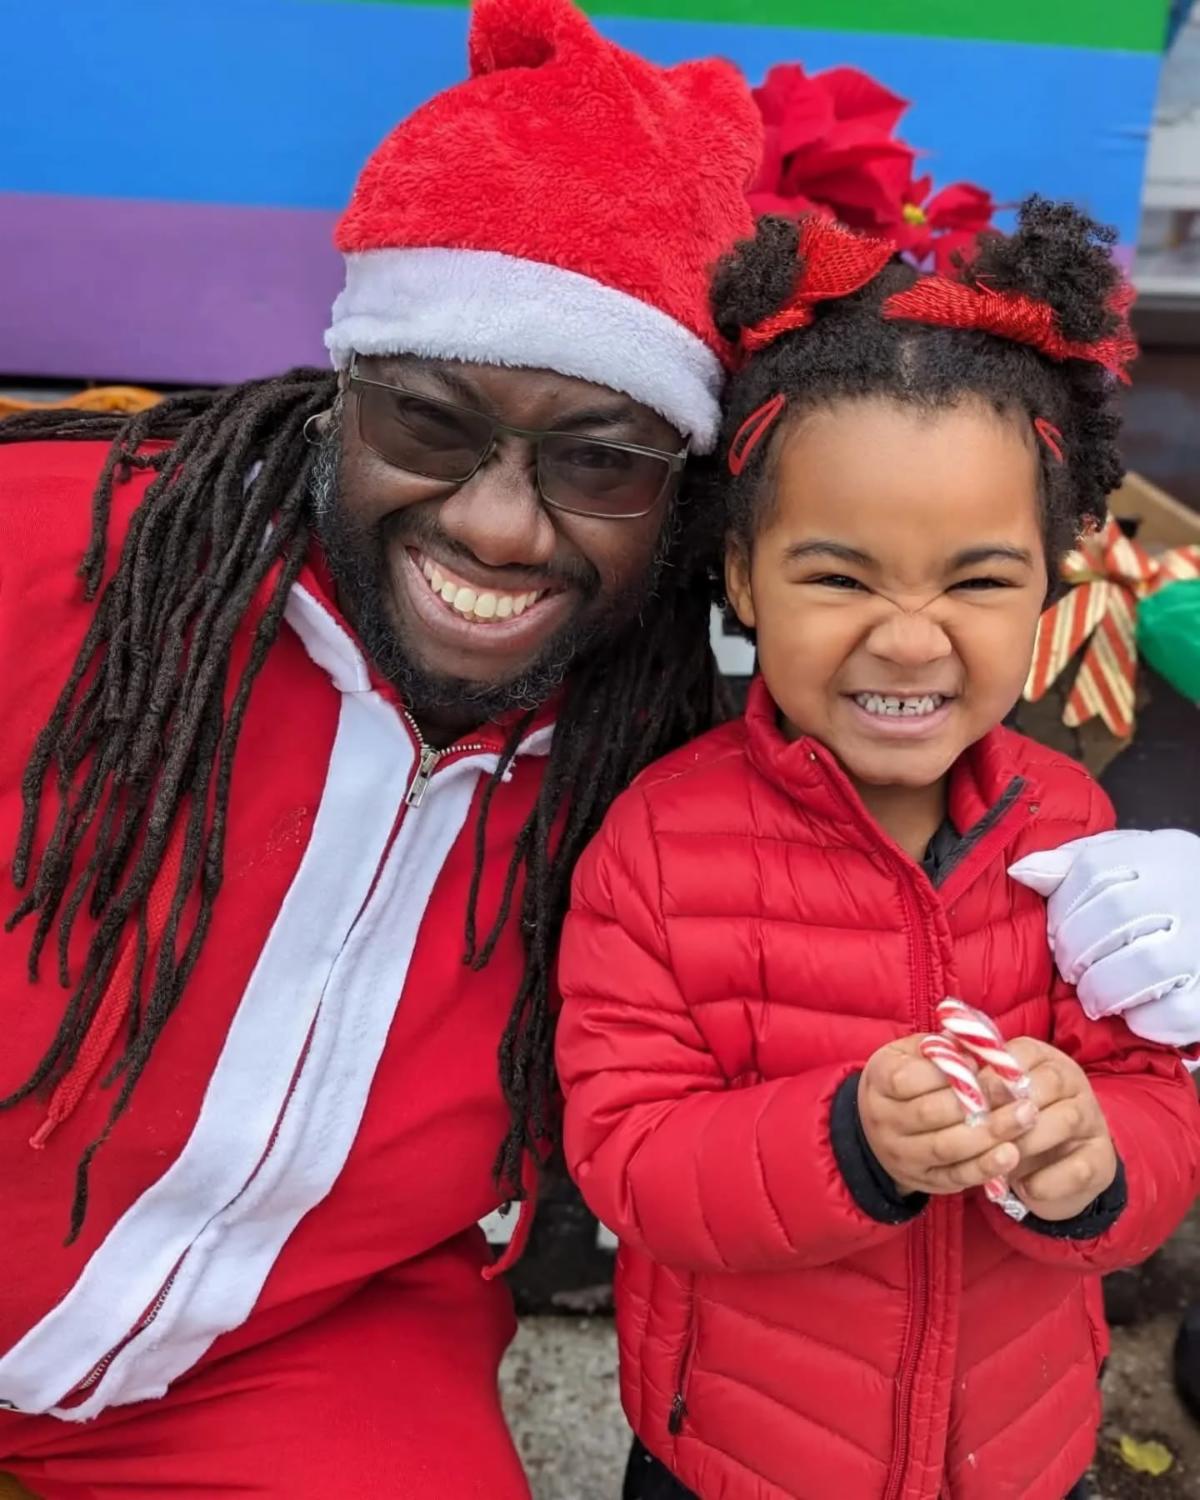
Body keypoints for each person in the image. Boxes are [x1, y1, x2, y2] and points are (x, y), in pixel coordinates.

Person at [0, 2, 1197, 1493]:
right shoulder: (59, 548)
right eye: (431, 425)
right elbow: (650, 1143)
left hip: (285, 1362)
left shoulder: (650, 727)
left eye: (598, 462)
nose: (499, 522)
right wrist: (853, 1139)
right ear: (339, 395)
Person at [556, 201, 1200, 1500]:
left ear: (1053, 581)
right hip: (731, 1456)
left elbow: (1160, 1099)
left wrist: (1099, 1158)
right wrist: (846, 1139)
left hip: (1018, 1452)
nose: (910, 640)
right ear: (740, 575)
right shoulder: (660, 848)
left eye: (975, 581)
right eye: (840, 579)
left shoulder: (1075, 831)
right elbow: (626, 1151)